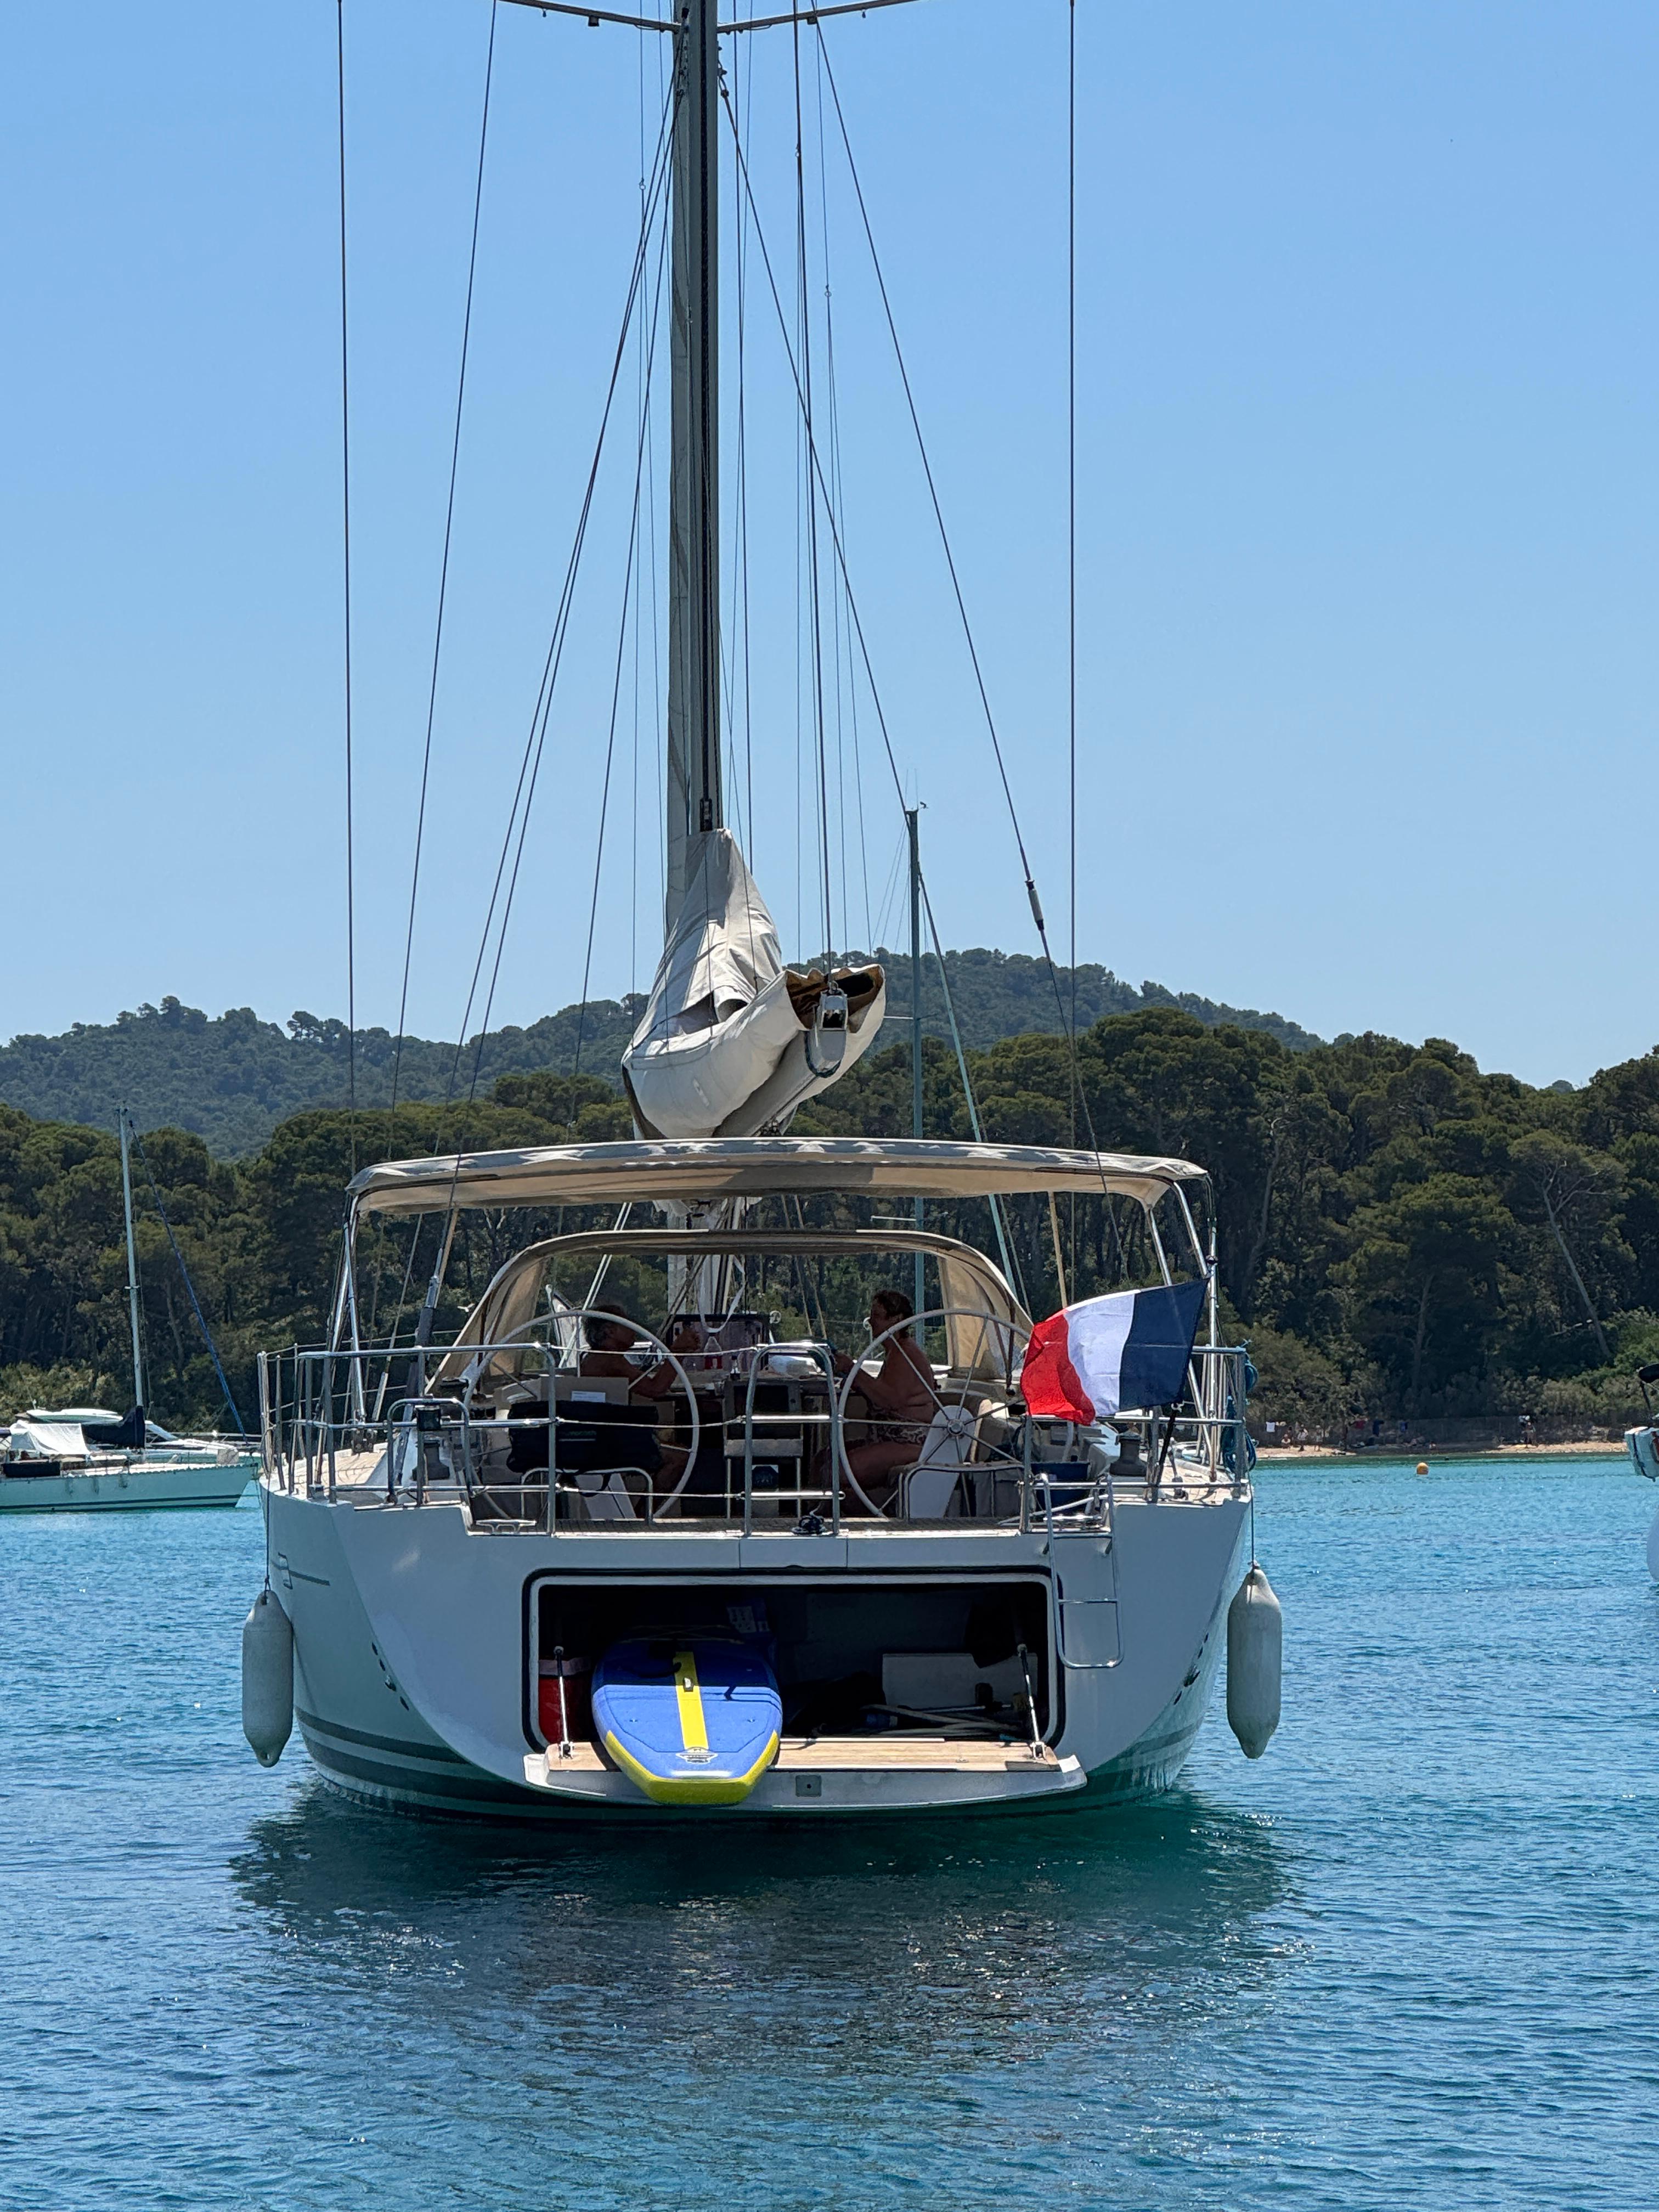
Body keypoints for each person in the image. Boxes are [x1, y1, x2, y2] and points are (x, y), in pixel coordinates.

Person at [822, 1288, 937, 1513]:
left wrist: (852, 1370)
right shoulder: (895, 1352)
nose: (871, 1321)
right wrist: (855, 1379)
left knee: (837, 1471)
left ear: (896, 1320)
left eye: (876, 1315)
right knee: (823, 1458)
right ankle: (831, 1515)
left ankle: (867, 1519)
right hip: (889, 1438)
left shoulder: (905, 1354)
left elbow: (888, 1400)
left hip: (911, 1444)